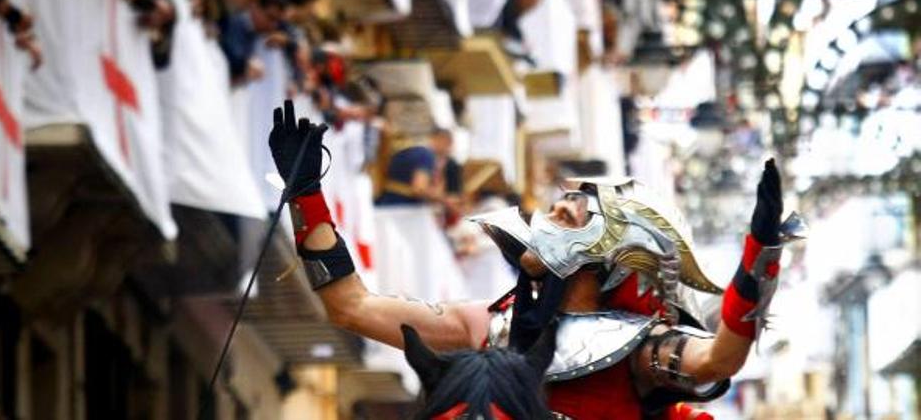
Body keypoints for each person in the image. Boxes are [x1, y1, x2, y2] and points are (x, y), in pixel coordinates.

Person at [268, 99, 798, 419]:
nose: (548, 217)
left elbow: (720, 360)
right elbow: (351, 307)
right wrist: (305, 193)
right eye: (554, 210)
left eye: (568, 218)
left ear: (610, 255)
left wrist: (759, 259)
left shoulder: (639, 347)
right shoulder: (484, 325)